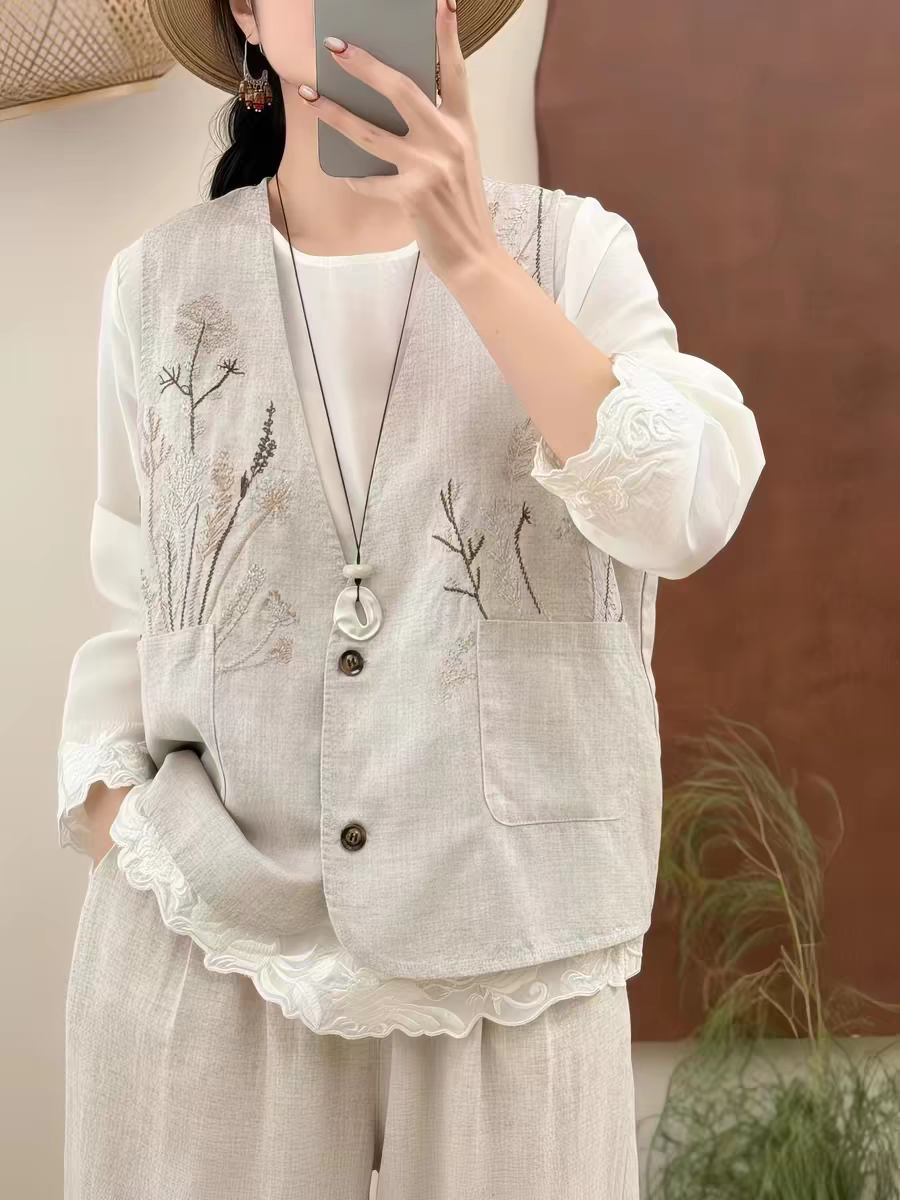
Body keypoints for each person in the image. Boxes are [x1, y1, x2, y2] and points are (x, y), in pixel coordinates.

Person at [56, 0, 766, 1196]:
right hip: (210, 953)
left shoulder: (575, 254)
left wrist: (474, 258)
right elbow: (138, 603)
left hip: (516, 961)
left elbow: (685, 512)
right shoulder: (159, 283)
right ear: (244, 11)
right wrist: (120, 829)